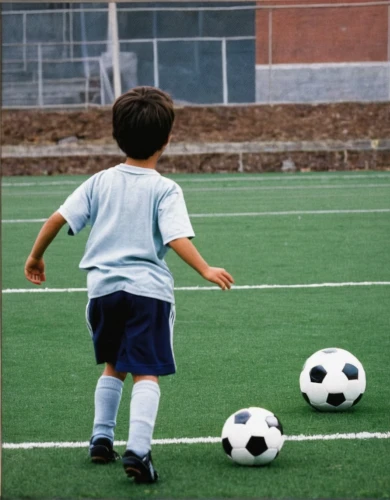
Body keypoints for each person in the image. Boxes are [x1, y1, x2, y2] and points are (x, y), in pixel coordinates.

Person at [24, 86, 234, 484]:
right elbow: (175, 238)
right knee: (146, 373)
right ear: (168, 140)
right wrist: (205, 269)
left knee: (113, 365)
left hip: (102, 293)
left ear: (117, 134)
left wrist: (36, 257)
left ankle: (101, 439)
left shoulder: (99, 181)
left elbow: (56, 219)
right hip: (148, 294)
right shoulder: (165, 188)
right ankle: (138, 450)